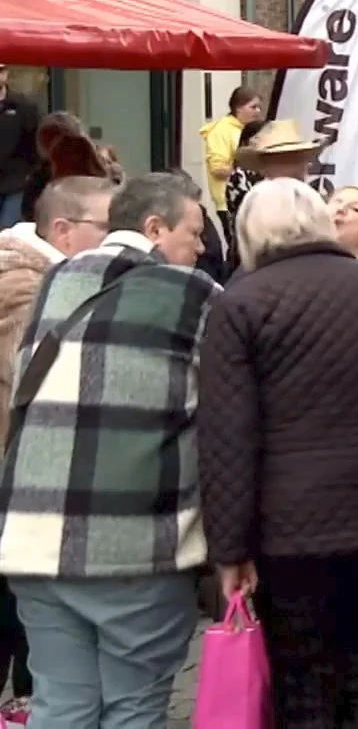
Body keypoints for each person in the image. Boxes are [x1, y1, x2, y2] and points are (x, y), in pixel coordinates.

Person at [197, 179, 358, 727]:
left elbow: (227, 435)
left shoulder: (240, 304)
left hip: (289, 529)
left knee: (303, 685)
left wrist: (229, 550)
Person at [0, 173, 217, 727]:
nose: (201, 248)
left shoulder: (55, 281)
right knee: (133, 707)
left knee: (60, 704)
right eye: (193, 233)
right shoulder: (193, 295)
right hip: (135, 543)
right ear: (154, 228)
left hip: (34, 538)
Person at [0, 176, 112, 718]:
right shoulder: (31, 289)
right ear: (64, 231)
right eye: (109, 228)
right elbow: (40, 393)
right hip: (20, 488)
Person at [199, 86, 264, 247]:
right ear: (238, 108)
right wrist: (245, 168)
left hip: (252, 198)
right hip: (229, 201)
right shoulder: (221, 130)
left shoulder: (246, 129)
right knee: (240, 247)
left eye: (259, 107)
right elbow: (217, 168)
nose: (258, 111)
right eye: (253, 107)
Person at [0, 67, 39, 229]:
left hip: (15, 185)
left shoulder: (24, 107)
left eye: (1, 70)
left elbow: (36, 145)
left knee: (8, 233)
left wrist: (29, 176)